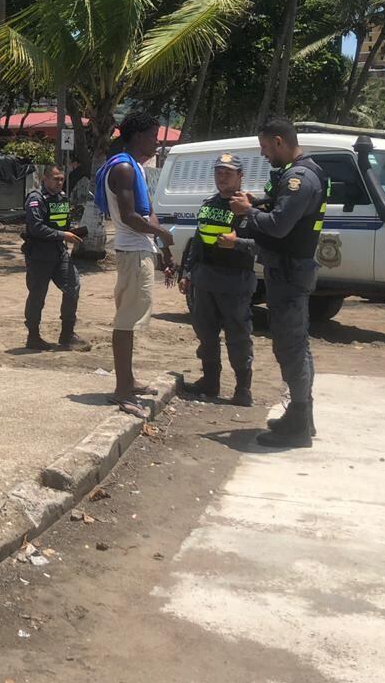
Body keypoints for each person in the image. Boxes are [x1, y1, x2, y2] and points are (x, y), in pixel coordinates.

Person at [229, 118, 327, 448]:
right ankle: (303, 416)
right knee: (296, 345)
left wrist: (247, 212)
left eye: (266, 147)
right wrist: (257, 204)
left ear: (280, 142)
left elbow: (280, 226)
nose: (263, 153)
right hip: (289, 271)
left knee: (291, 347)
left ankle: (298, 423)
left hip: (288, 273)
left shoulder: (299, 178)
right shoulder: (302, 173)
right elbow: (283, 212)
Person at [93, 111, 176, 417]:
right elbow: (130, 217)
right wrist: (163, 234)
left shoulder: (136, 167)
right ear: (138, 136)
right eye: (153, 136)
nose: (156, 142)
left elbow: (147, 211)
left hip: (141, 250)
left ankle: (129, 381)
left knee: (130, 320)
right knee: (126, 322)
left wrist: (163, 247)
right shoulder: (124, 168)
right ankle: (122, 391)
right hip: (131, 253)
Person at [178, 153, 257, 406]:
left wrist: (237, 244)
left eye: (228, 172)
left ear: (240, 176)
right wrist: (188, 273)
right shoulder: (208, 204)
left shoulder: (248, 208)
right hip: (205, 280)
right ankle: (210, 382)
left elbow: (261, 245)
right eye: (219, 172)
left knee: (238, 336)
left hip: (235, 281)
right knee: (206, 333)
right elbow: (198, 241)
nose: (222, 176)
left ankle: (243, 389)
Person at [21, 163, 88, 351]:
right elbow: (36, 227)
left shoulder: (62, 198)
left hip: (59, 254)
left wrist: (73, 233)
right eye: (55, 179)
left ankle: (67, 335)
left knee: (72, 288)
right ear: (45, 179)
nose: (59, 182)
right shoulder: (36, 198)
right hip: (39, 256)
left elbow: (62, 225)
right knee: (37, 295)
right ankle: (33, 336)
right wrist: (63, 235)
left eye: (62, 179)